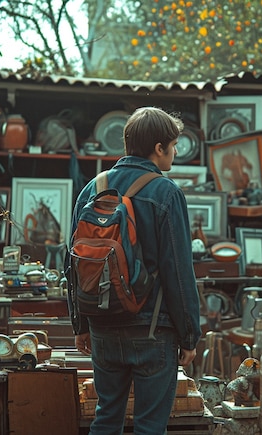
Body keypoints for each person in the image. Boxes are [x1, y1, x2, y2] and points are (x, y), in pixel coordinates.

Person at [67, 107, 203, 434]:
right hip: (152, 331)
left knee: (106, 417)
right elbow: (178, 271)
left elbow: (72, 262)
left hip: (102, 325)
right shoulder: (166, 192)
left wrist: (80, 324)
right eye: (173, 145)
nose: (174, 153)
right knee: (149, 426)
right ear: (159, 148)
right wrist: (189, 335)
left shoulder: (92, 189)